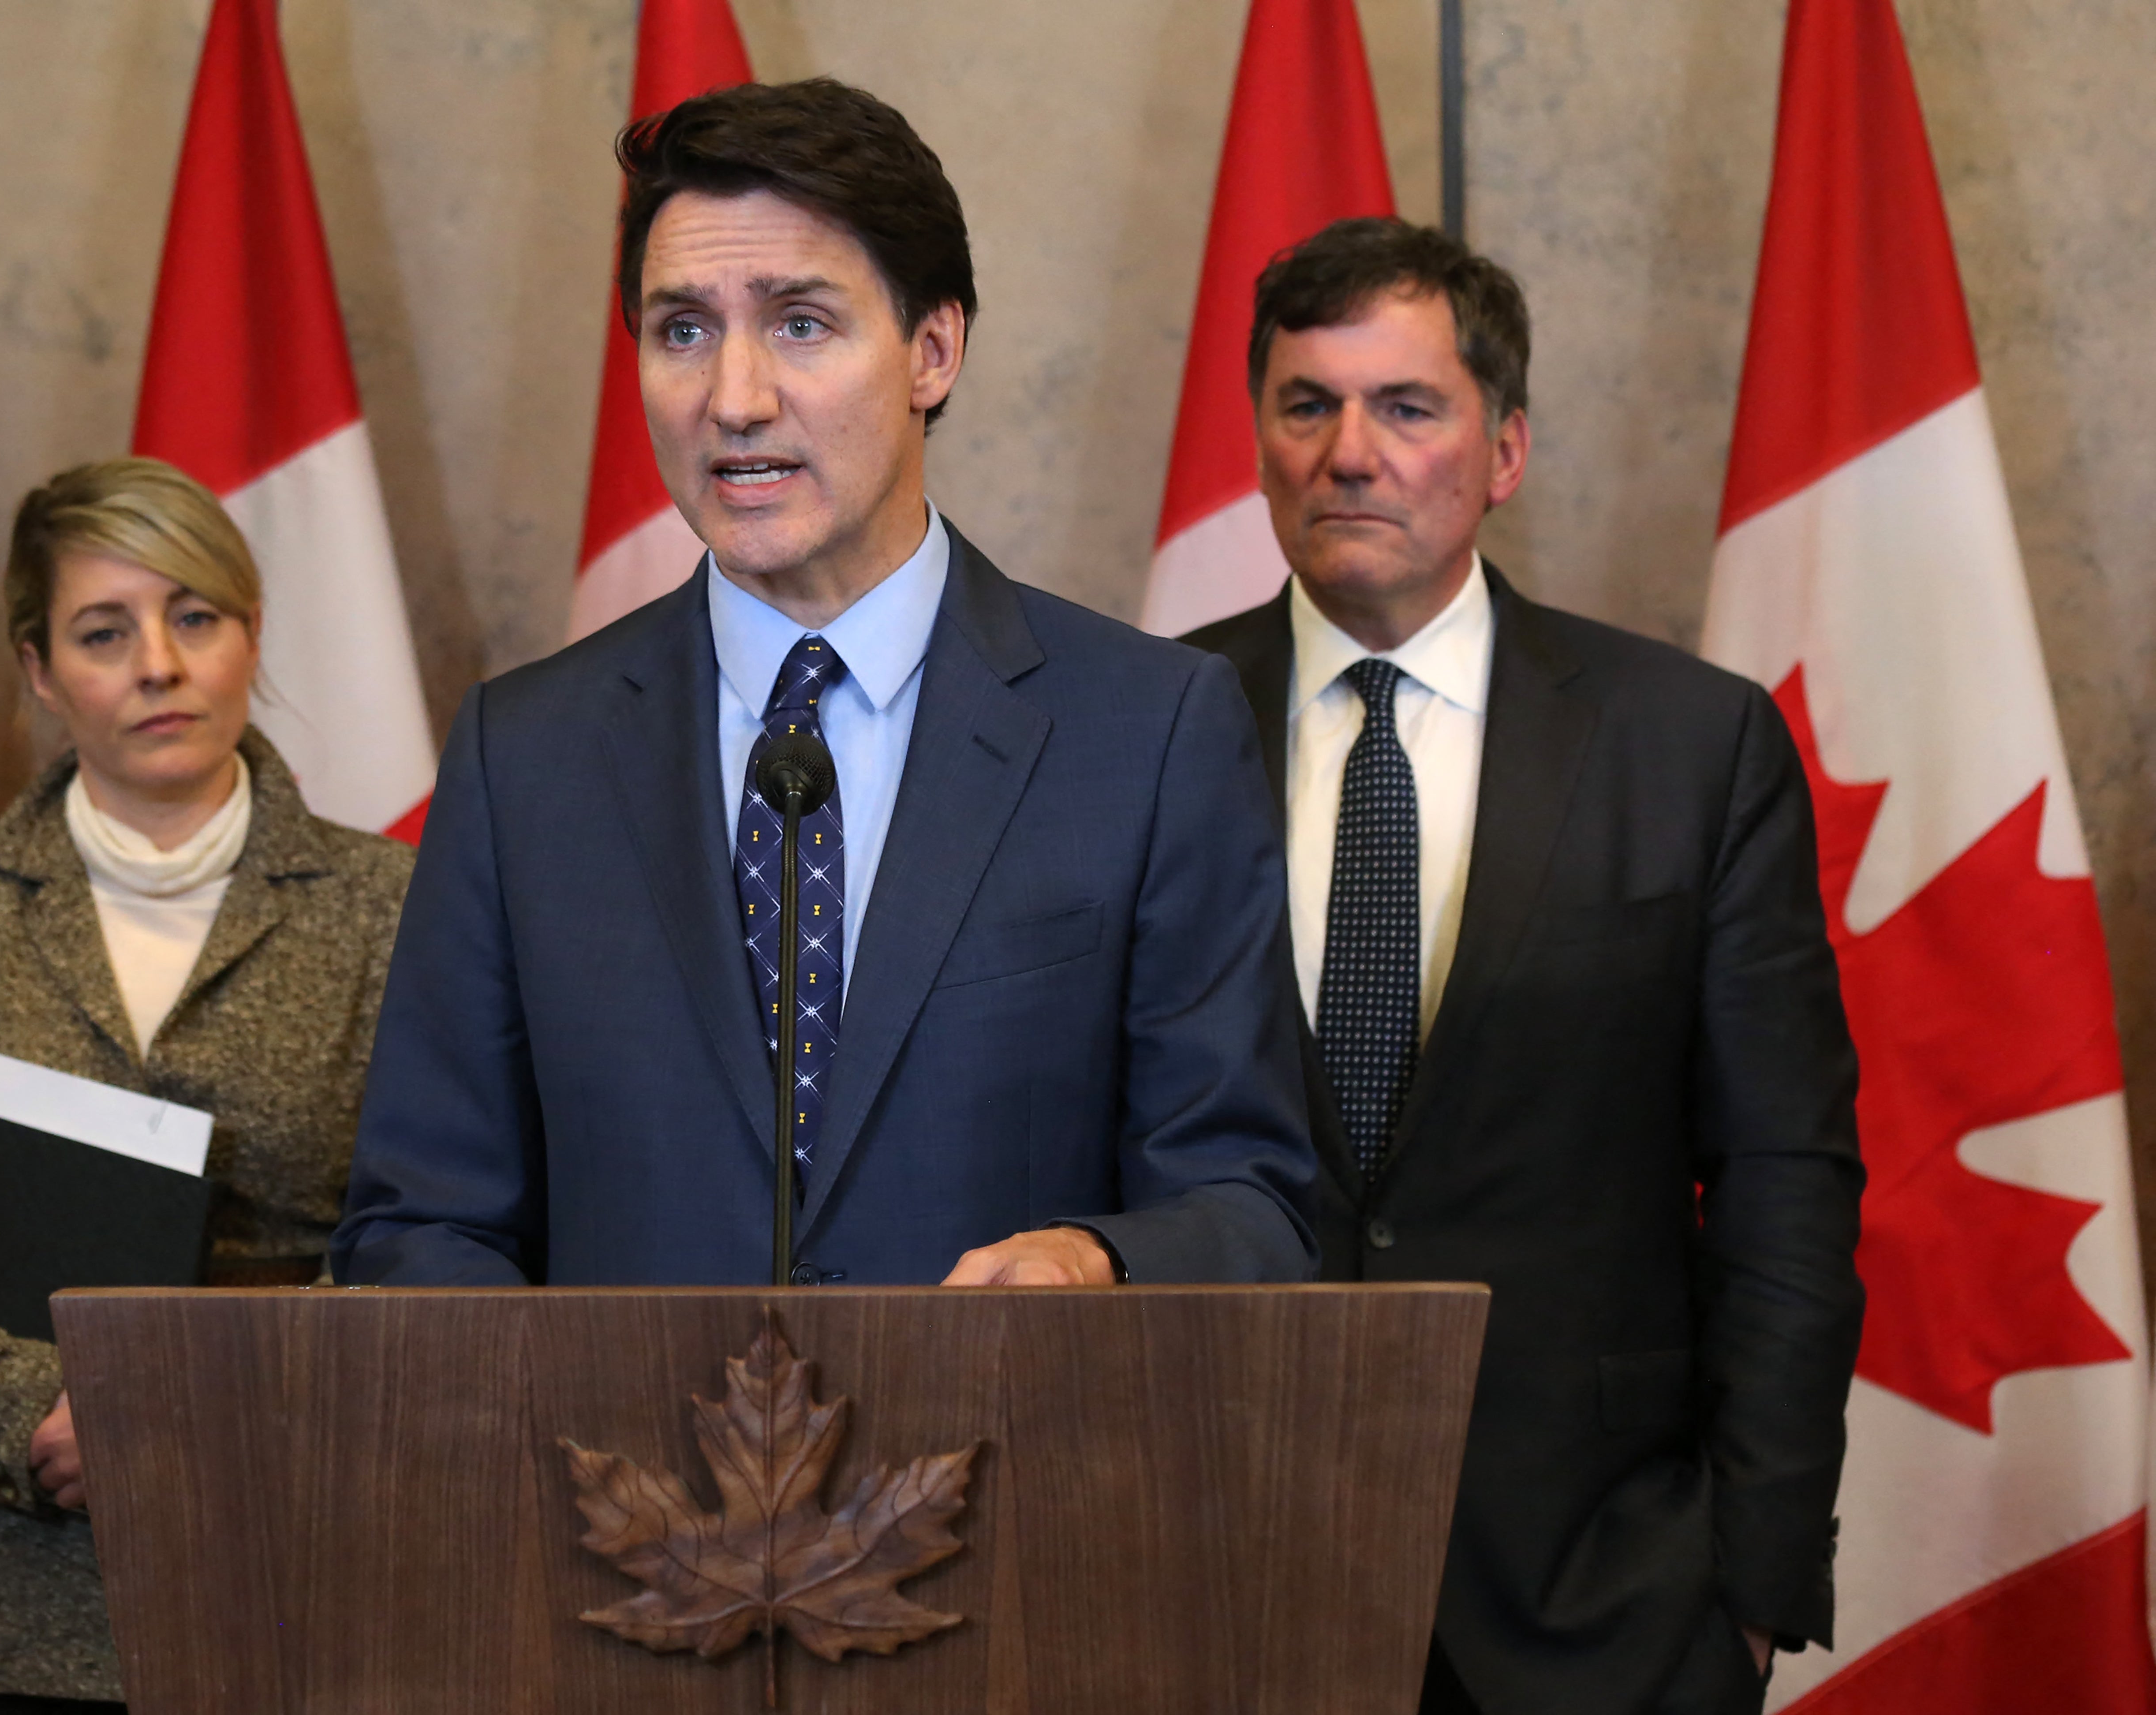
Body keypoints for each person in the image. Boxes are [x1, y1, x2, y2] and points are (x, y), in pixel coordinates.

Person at [332, 79, 1315, 1290]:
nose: (734, 399)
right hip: (624, 1475)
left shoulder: (1150, 733)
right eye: (682, 329)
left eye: (800, 323)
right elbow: (417, 1224)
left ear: (933, 350)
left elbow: (1253, 1203)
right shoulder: (523, 753)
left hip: (1014, 1458)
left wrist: (1098, 1262)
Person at [1184, 218, 1865, 1715]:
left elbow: (1784, 1178)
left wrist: (1753, 1576)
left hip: (1603, 1599)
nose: (1349, 453)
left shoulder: (1693, 745)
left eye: (1407, 408)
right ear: (1260, 441)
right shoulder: (1139, 729)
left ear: (1504, 450)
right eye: (1308, 405)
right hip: (1213, 1570)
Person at [0, 458, 412, 1712]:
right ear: (42, 671)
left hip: (302, 1580)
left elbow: (443, 1222)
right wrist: (30, 1416)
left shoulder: (396, 905)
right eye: (104, 632)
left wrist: (215, 1408)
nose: (158, 663)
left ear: (249, 634)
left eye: (196, 616)